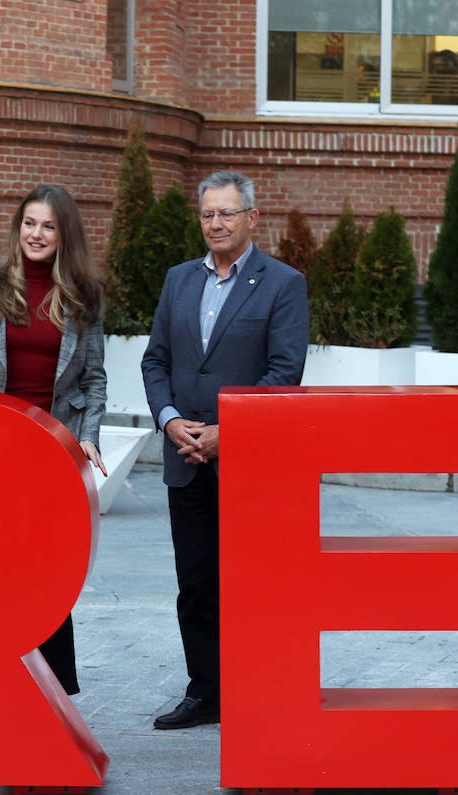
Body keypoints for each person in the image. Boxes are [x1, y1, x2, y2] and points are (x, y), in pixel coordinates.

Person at [140, 170, 308, 729]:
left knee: (254, 583)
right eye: (208, 214)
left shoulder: (283, 283)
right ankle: (205, 691)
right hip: (184, 461)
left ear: (252, 219)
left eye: (226, 213)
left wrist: (225, 432)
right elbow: (156, 360)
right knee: (196, 584)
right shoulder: (177, 280)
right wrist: (170, 423)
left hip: (249, 465)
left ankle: (259, 690)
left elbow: (284, 375)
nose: (215, 223)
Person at [0, 183, 107, 695]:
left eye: (47, 226)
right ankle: (13, 679)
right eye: (29, 223)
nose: (36, 234)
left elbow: (93, 378)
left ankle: (58, 685)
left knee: (47, 572)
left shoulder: (84, 294)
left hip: (54, 450)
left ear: (64, 235)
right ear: (17, 227)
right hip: (0, 451)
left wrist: (88, 436)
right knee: (7, 568)